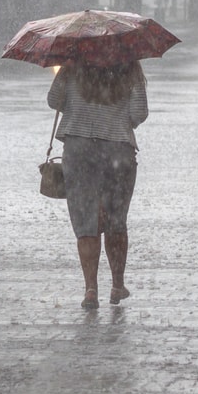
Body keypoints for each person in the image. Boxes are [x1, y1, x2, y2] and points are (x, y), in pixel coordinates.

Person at [46, 60, 148, 309]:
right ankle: (117, 285)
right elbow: (139, 114)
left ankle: (91, 289)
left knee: (86, 220)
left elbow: (53, 100)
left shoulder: (72, 65)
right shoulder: (129, 66)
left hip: (79, 150)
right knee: (116, 218)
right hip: (118, 152)